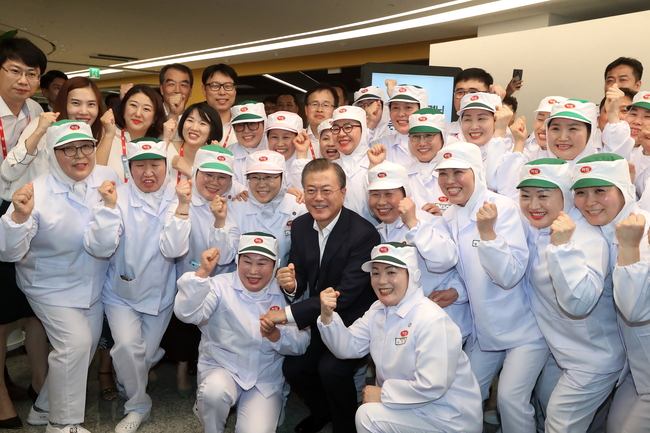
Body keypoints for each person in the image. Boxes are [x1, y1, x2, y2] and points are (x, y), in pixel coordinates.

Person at [0, 120, 120, 433]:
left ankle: (43, 408)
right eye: (68, 149)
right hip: (48, 285)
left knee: (85, 347)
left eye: (86, 146)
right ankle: (61, 424)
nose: (79, 155)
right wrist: (18, 217)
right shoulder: (35, 192)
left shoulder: (107, 177)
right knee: (75, 344)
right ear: (51, 154)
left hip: (93, 282)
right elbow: (8, 253)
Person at [436, 142, 548, 433]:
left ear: (476, 172)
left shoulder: (504, 209)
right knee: (466, 395)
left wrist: (488, 234)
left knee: (510, 400)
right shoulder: (450, 215)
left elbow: (509, 275)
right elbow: (464, 269)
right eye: (443, 173)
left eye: (458, 172)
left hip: (524, 329)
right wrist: (457, 292)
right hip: (484, 329)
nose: (450, 181)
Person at [264, 158, 380, 433]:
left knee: (331, 370)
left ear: (343, 192)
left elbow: (345, 295)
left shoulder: (364, 234)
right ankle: (323, 411)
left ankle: (346, 426)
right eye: (311, 190)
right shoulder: (301, 225)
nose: (318, 198)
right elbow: (301, 273)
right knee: (294, 369)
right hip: (318, 316)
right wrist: (291, 284)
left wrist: (287, 314)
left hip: (353, 322)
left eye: (326, 190)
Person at [318, 242, 483, 433]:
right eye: (375, 273)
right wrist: (327, 316)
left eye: (391, 272)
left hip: (447, 417)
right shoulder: (378, 310)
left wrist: (384, 394)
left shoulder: (432, 319)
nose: (381, 281)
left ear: (412, 276)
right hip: (409, 406)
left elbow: (433, 385)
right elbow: (348, 347)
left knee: (368, 416)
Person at [85, 137, 190, 433]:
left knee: (141, 356)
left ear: (166, 166)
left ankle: (131, 377)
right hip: (121, 292)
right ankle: (138, 406)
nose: (148, 173)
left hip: (161, 293)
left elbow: (173, 249)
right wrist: (108, 208)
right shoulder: (115, 197)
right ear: (129, 168)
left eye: (155, 165)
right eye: (140, 166)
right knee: (127, 349)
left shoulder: (177, 197)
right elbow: (101, 247)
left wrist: (182, 207)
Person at [517, 158, 624, 431]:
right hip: (562, 351)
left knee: (560, 424)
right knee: (549, 411)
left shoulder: (587, 238)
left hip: (592, 359)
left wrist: (562, 248)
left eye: (543, 195)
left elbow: (579, 303)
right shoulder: (536, 229)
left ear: (564, 195)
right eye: (526, 196)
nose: (533, 204)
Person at [175, 233, 310, 433]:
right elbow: (187, 314)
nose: (253, 271)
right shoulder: (219, 285)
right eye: (247, 261)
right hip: (222, 368)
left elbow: (301, 345)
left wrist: (275, 335)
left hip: (264, 378)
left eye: (262, 263)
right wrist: (202, 273)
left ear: (276, 265)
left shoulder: (287, 292)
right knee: (213, 393)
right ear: (237, 261)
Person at [566, 154, 650, 433]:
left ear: (624, 190)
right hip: (635, 368)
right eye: (581, 193)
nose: (589, 202)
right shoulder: (602, 229)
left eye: (600, 190)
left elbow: (634, 310)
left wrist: (630, 248)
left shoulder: (644, 230)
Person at [160, 144, 245, 398]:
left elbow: (225, 256)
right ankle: (182, 368)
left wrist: (220, 221)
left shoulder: (236, 202)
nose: (214, 182)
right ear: (195, 172)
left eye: (222, 177)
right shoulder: (179, 199)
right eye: (208, 175)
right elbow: (172, 248)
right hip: (188, 275)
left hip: (224, 281)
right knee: (186, 326)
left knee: (219, 330)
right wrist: (183, 206)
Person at [365, 160, 472, 340]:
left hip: (445, 324)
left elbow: (447, 260)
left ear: (406, 196)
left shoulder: (428, 221)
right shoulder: (377, 232)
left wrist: (413, 224)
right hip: (408, 328)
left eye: (389, 194)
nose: (381, 202)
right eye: (375, 194)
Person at [0, 36, 48, 430]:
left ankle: (39, 384)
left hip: (28, 208)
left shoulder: (36, 111)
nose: (24, 80)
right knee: (1, 312)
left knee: (32, 307)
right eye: (15, 71)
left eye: (31, 73)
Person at [212, 149, 306, 267]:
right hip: (246, 278)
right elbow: (223, 258)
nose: (261, 184)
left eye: (269, 177)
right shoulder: (236, 207)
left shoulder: (299, 208)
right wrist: (219, 223)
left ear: (283, 178)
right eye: (255, 177)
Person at [97, 84, 165, 181]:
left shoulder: (156, 145)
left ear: (155, 117)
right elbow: (93, 175)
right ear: (124, 108)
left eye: (146, 109)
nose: (138, 114)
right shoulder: (106, 133)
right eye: (133, 105)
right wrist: (108, 135)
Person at [166, 102, 223, 182]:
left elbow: (221, 186)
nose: (194, 128)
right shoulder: (168, 149)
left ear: (212, 131)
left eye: (203, 123)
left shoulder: (215, 157)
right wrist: (166, 140)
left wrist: (190, 171)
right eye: (190, 120)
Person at [228, 101, 268, 184]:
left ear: (264, 124)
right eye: (240, 125)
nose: (246, 131)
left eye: (252, 124)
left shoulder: (276, 150)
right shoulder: (228, 154)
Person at [202, 64, 238, 147]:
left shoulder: (245, 124)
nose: (222, 92)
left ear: (235, 90)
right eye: (215, 86)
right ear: (204, 90)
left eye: (228, 86)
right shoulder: (192, 124)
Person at [303, 83, 338, 156]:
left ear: (335, 110)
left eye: (325, 105)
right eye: (314, 104)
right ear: (306, 109)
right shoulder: (297, 140)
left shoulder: (341, 139)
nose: (319, 109)